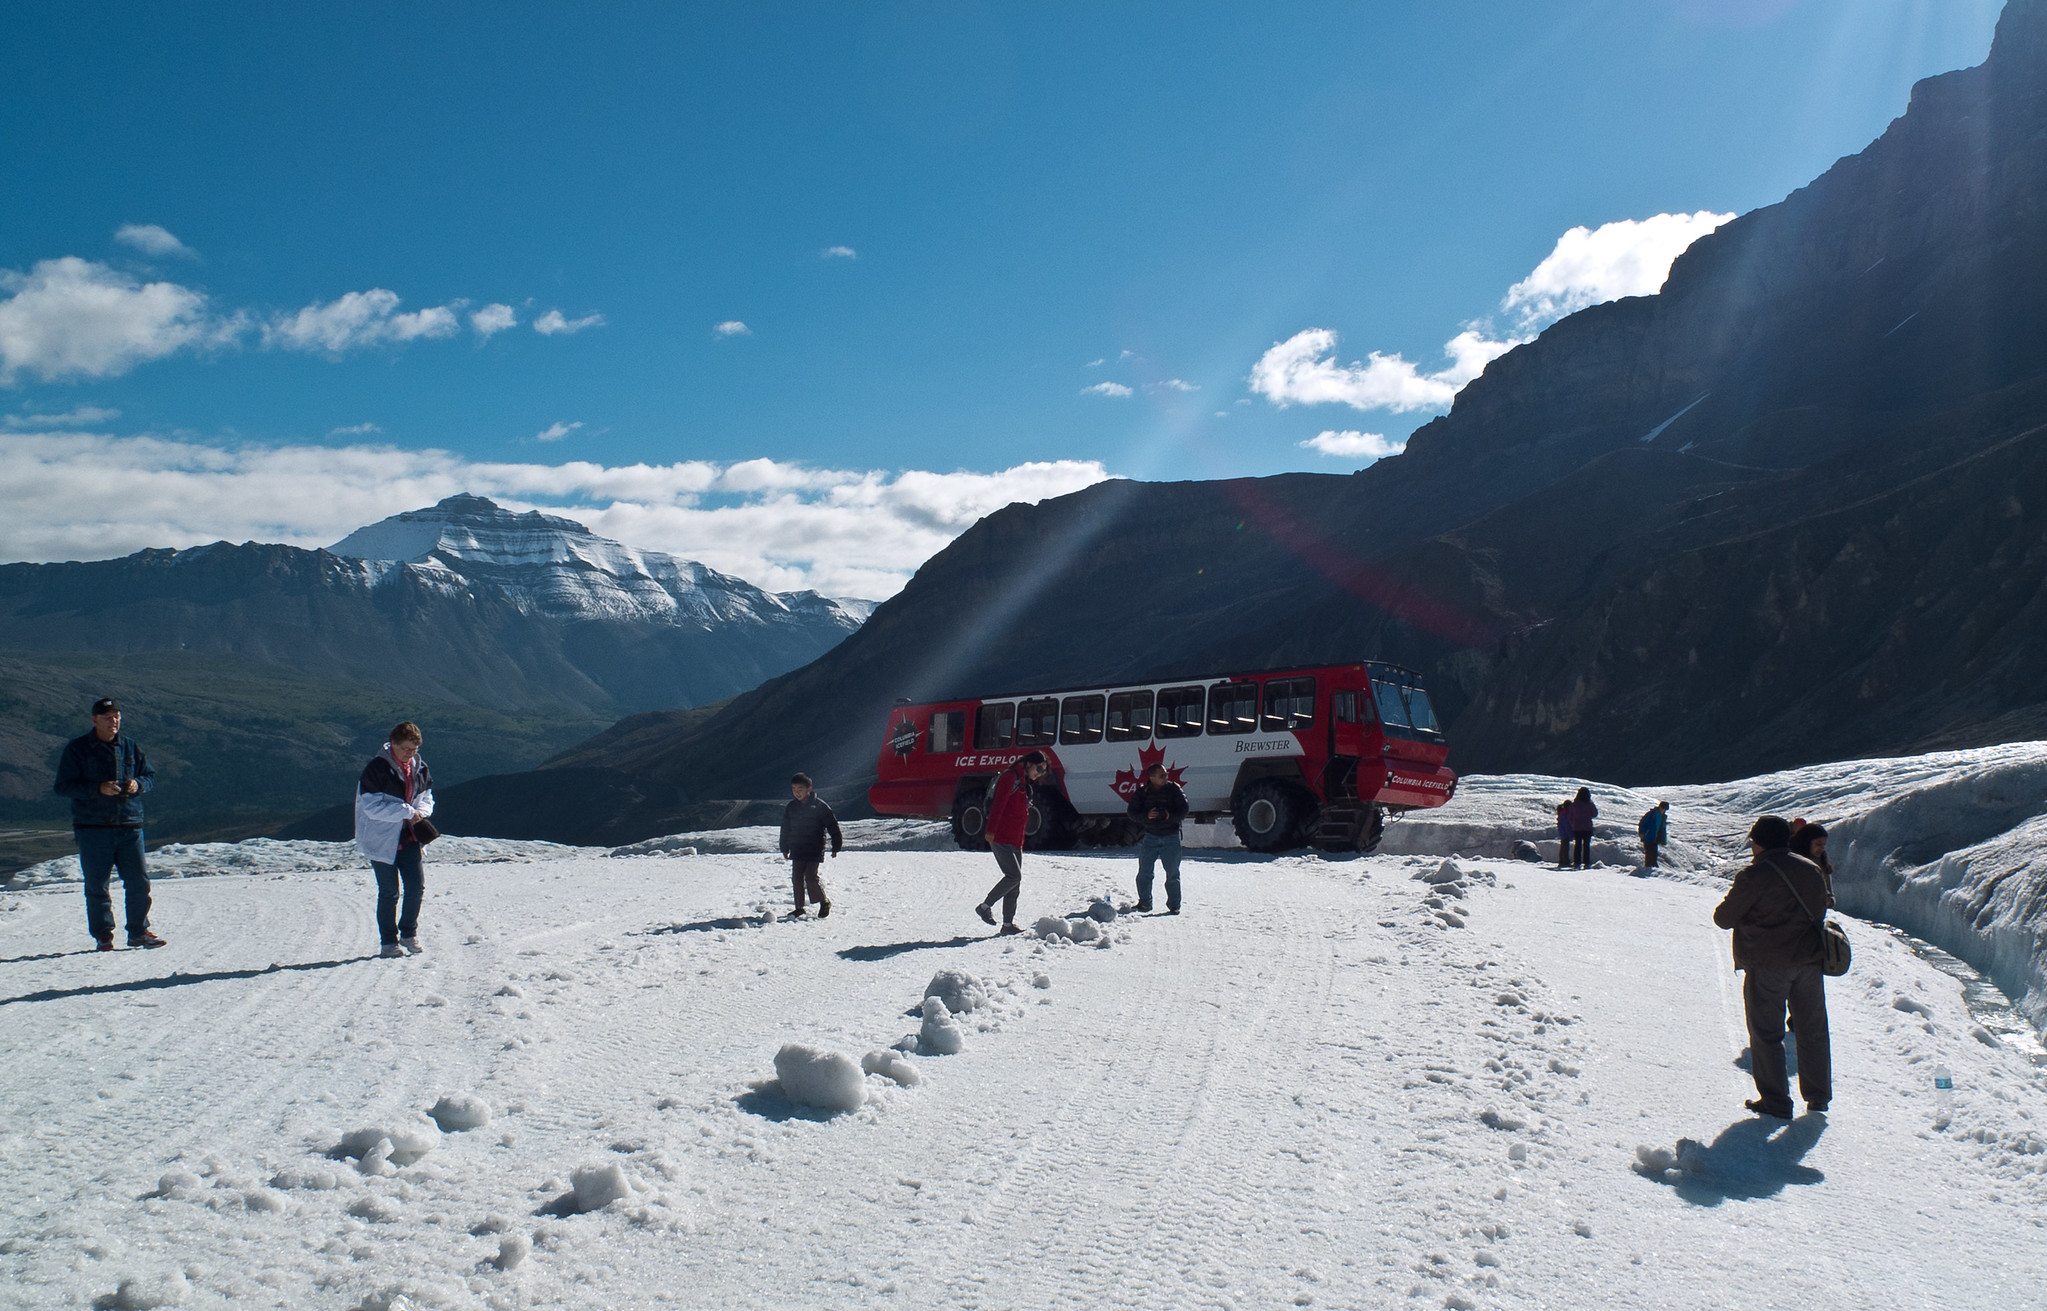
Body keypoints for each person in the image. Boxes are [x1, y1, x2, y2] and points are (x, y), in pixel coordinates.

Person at [1713, 815, 1833, 1118]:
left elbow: (1723, 918)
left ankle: (1776, 1102)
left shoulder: (1754, 875)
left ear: (1759, 842)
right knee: (1812, 1029)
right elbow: (1821, 908)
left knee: (1767, 1034)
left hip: (1767, 964)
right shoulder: (1812, 869)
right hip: (1808, 961)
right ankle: (1818, 1097)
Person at [52, 698, 164, 951]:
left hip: (129, 824)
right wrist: (97, 789)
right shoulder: (77, 749)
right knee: (97, 885)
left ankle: (139, 931)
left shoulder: (129, 747)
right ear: (94, 720)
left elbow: (149, 775)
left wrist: (138, 784)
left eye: (116, 717)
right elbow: (62, 787)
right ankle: (103, 936)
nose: (113, 722)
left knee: (138, 882)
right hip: (92, 828)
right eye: (107, 718)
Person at [354, 722, 436, 959]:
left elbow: (427, 797)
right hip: (382, 841)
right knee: (389, 892)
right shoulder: (377, 769)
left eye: (414, 749)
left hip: (410, 839)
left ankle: (409, 933)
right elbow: (371, 807)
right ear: (394, 745)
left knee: (415, 888)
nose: (411, 754)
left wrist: (421, 812)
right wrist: (407, 812)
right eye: (406, 749)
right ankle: (388, 942)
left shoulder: (419, 768)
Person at [975, 750, 1048, 935]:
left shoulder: (1024, 782)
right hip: (1000, 836)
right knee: (1014, 876)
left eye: (1043, 771)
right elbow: (999, 804)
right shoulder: (1010, 777)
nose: (1039, 773)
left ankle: (1007, 925)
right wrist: (990, 831)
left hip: (1015, 839)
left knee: (1015, 884)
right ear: (1029, 764)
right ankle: (985, 906)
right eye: (1039, 768)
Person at [1127, 762, 1188, 913]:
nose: (1166, 777)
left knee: (1173, 873)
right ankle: (1145, 903)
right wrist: (1146, 816)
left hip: (1171, 837)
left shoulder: (1174, 789)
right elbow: (1131, 812)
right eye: (1162, 775)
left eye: (1166, 774)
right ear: (1152, 777)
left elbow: (1184, 809)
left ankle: (1174, 906)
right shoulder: (1142, 792)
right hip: (1150, 837)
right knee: (1144, 873)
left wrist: (1169, 816)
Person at [779, 772, 842, 918]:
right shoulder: (791, 807)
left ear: (809, 789)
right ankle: (799, 908)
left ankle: (823, 901)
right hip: (797, 848)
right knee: (797, 878)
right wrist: (784, 847)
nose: (797, 792)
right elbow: (785, 828)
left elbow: (832, 825)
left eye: (800, 789)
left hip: (814, 848)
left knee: (811, 877)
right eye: (794, 789)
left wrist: (836, 845)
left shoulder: (820, 806)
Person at [1566, 787, 1598, 869]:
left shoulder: (1574, 804)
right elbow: (1594, 814)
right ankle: (1586, 863)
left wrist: (1573, 825)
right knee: (1586, 846)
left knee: (1578, 846)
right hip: (1587, 828)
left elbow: (1570, 816)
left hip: (1577, 828)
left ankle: (1577, 862)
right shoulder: (1589, 804)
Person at [1638, 800, 1670, 868]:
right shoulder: (1652, 814)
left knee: (1654, 853)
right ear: (1660, 807)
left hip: (1655, 838)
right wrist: (1642, 832)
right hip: (1648, 836)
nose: (1663, 811)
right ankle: (1649, 867)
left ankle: (1653, 867)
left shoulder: (1663, 817)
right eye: (1663, 809)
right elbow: (1642, 823)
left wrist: (1663, 839)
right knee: (1649, 853)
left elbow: (1662, 829)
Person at [1555, 802, 1572, 869]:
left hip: (1562, 833)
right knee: (1565, 848)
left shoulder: (1562, 814)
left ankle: (1562, 861)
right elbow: (1567, 826)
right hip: (1565, 834)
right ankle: (1565, 861)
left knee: (1563, 847)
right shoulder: (1565, 815)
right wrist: (1570, 834)